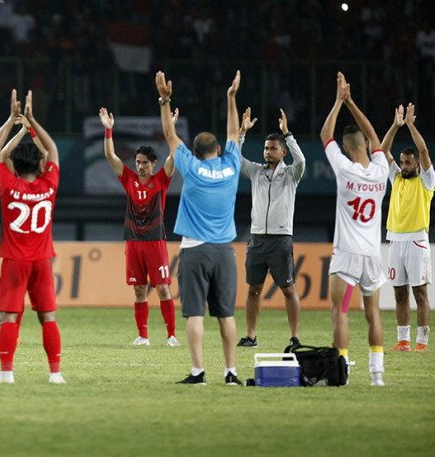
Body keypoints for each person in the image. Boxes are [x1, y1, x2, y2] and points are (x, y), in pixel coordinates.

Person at [157, 69, 242, 386]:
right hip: (224, 251)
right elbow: (234, 133)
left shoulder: (190, 167)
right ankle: (231, 373)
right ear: (218, 151)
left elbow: (169, 135)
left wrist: (165, 99)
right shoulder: (231, 166)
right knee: (227, 315)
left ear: (194, 153)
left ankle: (198, 373)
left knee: (195, 315)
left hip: (194, 249)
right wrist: (231, 98)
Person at [0, 90, 64, 384]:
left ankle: (7, 373)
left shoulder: (8, 185)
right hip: (43, 260)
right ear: (41, 166)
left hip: (15, 260)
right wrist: (32, 122)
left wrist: (12, 121)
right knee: (48, 317)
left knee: (8, 317)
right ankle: (55, 374)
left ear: (15, 167)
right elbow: (53, 149)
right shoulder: (50, 183)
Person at [320, 72, 388, 386]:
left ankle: (342, 373)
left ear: (347, 149)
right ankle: (377, 375)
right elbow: (375, 138)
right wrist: (353, 103)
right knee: (373, 312)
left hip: (347, 253)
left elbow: (325, 136)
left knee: (340, 312)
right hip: (373, 254)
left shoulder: (344, 168)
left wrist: (339, 101)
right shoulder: (381, 170)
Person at [98, 106, 178, 347]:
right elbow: (110, 157)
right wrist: (108, 131)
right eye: (138, 162)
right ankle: (143, 336)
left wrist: (171, 130)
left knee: (163, 289)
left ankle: (171, 335)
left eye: (145, 163)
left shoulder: (161, 179)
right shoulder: (129, 179)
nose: (141, 166)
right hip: (133, 243)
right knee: (139, 291)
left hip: (155, 241)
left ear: (154, 164)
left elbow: (174, 156)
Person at [235, 108, 305, 349]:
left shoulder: (290, 174)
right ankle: (251, 336)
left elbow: (302, 160)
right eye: (266, 148)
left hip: (280, 239)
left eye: (273, 148)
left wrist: (289, 134)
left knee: (288, 289)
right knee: (253, 289)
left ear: (283, 151)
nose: (268, 152)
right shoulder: (256, 171)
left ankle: (295, 338)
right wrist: (241, 134)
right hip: (257, 239)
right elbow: (235, 159)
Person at [379, 103, 432, 352]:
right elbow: (382, 149)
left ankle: (422, 343)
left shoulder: (427, 181)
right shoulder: (397, 178)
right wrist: (395, 125)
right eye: (402, 162)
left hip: (417, 241)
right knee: (399, 294)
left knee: (419, 294)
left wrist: (410, 125)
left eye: (408, 163)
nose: (404, 166)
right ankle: (403, 341)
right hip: (395, 241)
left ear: (418, 165)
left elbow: (422, 148)